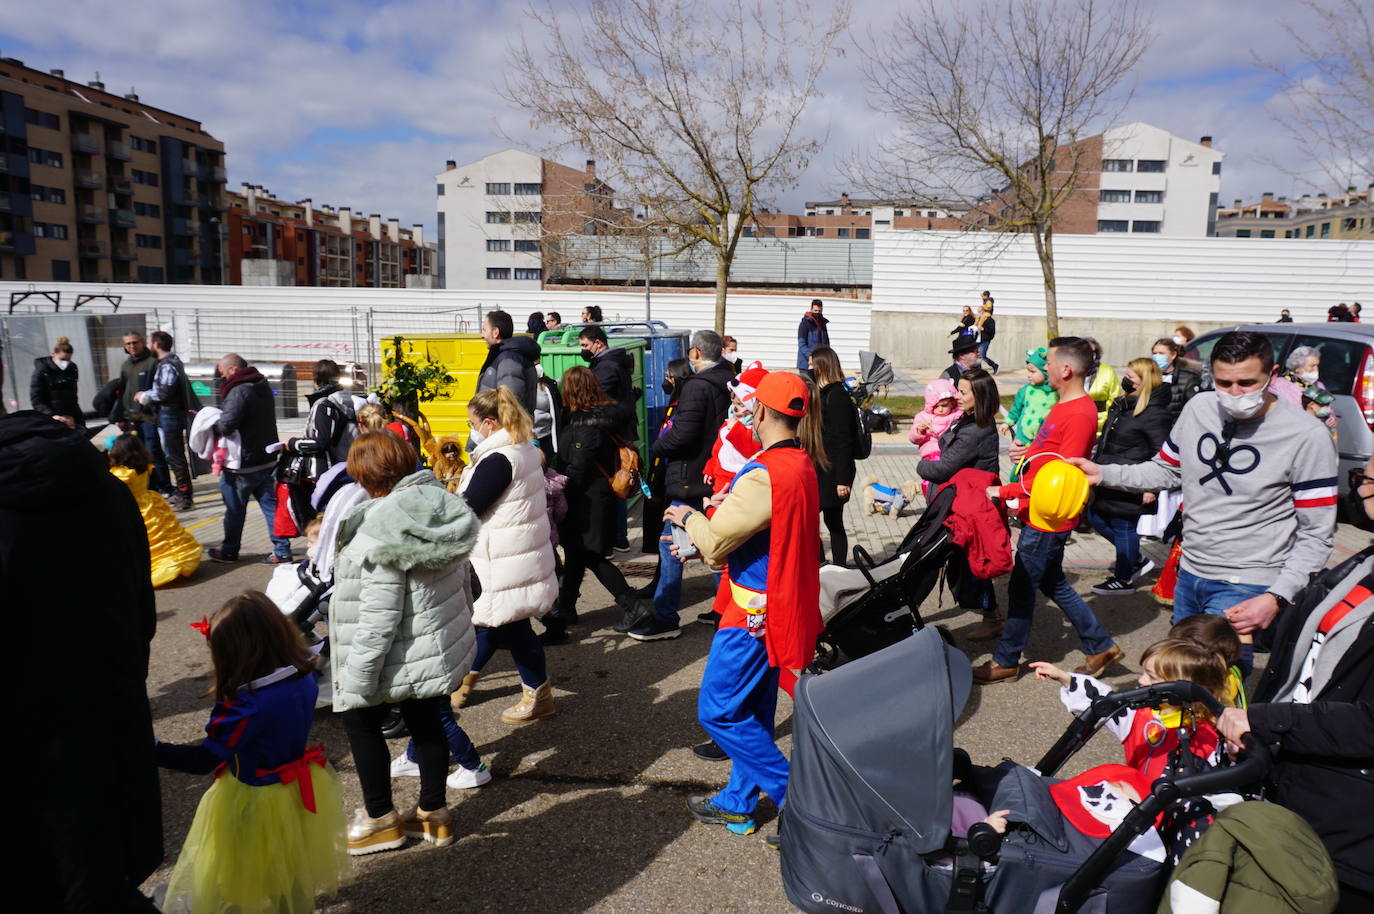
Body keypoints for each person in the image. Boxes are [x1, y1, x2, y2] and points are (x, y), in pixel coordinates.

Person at [1073, 331, 1338, 635]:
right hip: (1190, 572)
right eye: (1224, 383)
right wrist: (1104, 473)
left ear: (1273, 375)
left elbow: (1317, 532)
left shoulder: (1306, 435)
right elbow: (1166, 471)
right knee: (1185, 673)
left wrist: (1278, 595)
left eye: (1247, 383)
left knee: (1212, 673)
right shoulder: (1199, 408)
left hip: (1250, 582)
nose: (1235, 394)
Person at [3, 412, 163, 912]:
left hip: (22, 714)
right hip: (106, 693)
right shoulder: (111, 493)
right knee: (100, 842)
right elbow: (143, 604)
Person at [666, 371, 823, 837]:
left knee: (718, 710)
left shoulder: (766, 472)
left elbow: (715, 545)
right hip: (777, 600)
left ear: (759, 411)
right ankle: (737, 800)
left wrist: (691, 517)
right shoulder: (800, 461)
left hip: (752, 608)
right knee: (753, 710)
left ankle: (799, 800)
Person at [1213, 456, 1373, 913]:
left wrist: (1265, 720)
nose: (1357, 489)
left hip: (1349, 828)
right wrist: (1264, 623)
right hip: (1296, 779)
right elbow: (1323, 646)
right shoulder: (1364, 561)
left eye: (1365, 480)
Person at [330, 430, 481, 855]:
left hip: (399, 649)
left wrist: (357, 677)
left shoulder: (382, 525)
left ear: (365, 474)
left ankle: (380, 819)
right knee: (427, 719)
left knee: (360, 721)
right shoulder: (439, 506)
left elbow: (378, 615)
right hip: (432, 647)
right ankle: (434, 814)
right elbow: (466, 584)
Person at [154, 592, 351, 913]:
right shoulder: (303, 678)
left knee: (241, 861)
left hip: (256, 796)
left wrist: (155, 750)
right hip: (298, 786)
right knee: (290, 862)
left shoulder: (245, 708)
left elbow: (205, 759)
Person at [977, 337, 1122, 684]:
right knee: (1053, 581)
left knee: (1023, 586)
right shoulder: (1064, 406)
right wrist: (1025, 453)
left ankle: (1006, 661)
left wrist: (1005, 490)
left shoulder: (1079, 412)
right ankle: (1100, 646)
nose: (1045, 368)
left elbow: (1062, 475)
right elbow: (1050, 457)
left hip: (1047, 515)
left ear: (1067, 369)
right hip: (1037, 510)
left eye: (1050, 362)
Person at [456, 388, 560, 721]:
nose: (470, 429)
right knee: (501, 625)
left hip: (502, 557)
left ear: (488, 423)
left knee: (494, 622)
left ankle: (532, 694)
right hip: (515, 553)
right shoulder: (523, 448)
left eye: (472, 422)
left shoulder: (498, 458)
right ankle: (469, 684)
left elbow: (470, 506)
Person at [635, 330, 735, 639]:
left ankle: (666, 617)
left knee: (671, 545)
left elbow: (684, 434)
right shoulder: (727, 380)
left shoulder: (696, 386)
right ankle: (722, 612)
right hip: (712, 474)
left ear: (694, 354)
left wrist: (659, 446)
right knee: (715, 548)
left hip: (690, 477)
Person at [543, 366, 648, 642]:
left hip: (586, 499)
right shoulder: (595, 417)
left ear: (573, 390)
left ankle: (632, 606)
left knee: (591, 555)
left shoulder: (586, 423)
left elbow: (579, 465)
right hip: (592, 497)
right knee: (578, 553)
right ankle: (565, 609)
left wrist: (560, 489)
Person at [917, 368, 1003, 637]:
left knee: (973, 561)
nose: (957, 395)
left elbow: (943, 467)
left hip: (972, 506)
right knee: (963, 561)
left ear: (979, 395)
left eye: (963, 392)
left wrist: (922, 465)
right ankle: (991, 615)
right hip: (962, 501)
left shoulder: (976, 430)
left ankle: (992, 618)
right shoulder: (967, 419)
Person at [1085, 358, 1173, 596]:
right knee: (1094, 517)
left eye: (1131, 376)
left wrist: (1150, 488)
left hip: (1132, 478)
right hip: (1109, 473)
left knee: (1124, 526)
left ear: (1145, 381)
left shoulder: (1155, 413)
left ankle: (1123, 579)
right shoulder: (1124, 404)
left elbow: (1160, 453)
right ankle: (1135, 559)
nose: (1126, 378)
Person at [209, 354, 294, 565]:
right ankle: (282, 550)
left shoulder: (238, 391)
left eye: (222, 372)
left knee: (235, 510)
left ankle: (229, 551)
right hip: (266, 458)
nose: (221, 377)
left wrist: (211, 424)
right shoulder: (261, 384)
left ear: (231, 370)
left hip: (242, 463)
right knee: (270, 508)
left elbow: (227, 425)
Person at [108, 434, 201, 587]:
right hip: (150, 501)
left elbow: (121, 492)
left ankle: (154, 569)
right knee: (163, 533)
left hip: (133, 506)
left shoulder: (121, 472)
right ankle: (179, 560)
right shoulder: (144, 464)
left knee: (143, 539)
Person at [134, 331, 196, 509]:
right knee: (172, 455)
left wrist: (144, 395)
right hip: (167, 416)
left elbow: (164, 392)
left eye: (148, 342)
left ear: (155, 344)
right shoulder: (168, 363)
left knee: (175, 456)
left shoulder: (168, 364)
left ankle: (185, 495)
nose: (147, 345)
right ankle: (182, 492)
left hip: (170, 416)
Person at [810, 346, 858, 565]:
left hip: (832, 472)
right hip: (819, 468)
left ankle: (839, 567)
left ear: (822, 365)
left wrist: (843, 480)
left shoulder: (837, 395)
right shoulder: (822, 393)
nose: (809, 367)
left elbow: (843, 440)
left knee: (833, 522)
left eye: (812, 363)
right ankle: (820, 564)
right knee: (812, 522)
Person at [285, 359, 361, 482]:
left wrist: (292, 443)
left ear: (316, 379)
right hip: (350, 463)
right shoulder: (347, 399)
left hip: (331, 470)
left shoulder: (323, 405)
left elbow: (320, 442)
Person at [116, 330, 168, 494]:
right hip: (131, 416)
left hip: (149, 417)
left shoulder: (153, 362)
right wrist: (121, 415)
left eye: (135, 342)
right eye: (128, 343)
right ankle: (150, 487)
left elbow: (159, 390)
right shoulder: (126, 365)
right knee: (137, 454)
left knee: (154, 452)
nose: (132, 346)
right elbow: (123, 391)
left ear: (142, 342)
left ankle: (165, 486)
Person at [1001, 347, 1057, 479]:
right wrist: (1008, 422)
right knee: (1019, 466)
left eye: (1033, 371)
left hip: (1042, 439)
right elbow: (1016, 408)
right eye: (1028, 371)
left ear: (1046, 372)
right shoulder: (1025, 390)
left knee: (1036, 468)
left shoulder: (1056, 393)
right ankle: (1013, 486)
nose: (1028, 375)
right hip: (1023, 437)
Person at [475, 309, 540, 418]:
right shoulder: (504, 356)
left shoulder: (509, 360)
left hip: (505, 432)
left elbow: (510, 406)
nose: (482, 335)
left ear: (495, 332)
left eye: (484, 330)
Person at [29, 336, 83, 430]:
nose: (65, 363)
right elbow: (36, 398)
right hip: (51, 416)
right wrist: (51, 415)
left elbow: (73, 395)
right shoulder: (42, 370)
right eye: (62, 359)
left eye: (68, 360)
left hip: (70, 416)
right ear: (54, 354)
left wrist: (74, 416)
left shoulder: (72, 368)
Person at [908, 378, 963, 464]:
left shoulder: (957, 415)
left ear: (952, 403)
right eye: (936, 406)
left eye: (944, 406)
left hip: (952, 452)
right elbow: (913, 439)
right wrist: (919, 431)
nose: (940, 409)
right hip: (931, 452)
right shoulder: (923, 417)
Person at [1151, 337, 1202, 418]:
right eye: (1154, 353)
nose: (1157, 357)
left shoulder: (1188, 378)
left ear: (1173, 355)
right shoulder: (1148, 376)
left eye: (1161, 353)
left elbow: (1194, 409)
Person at [1084, 337, 1123, 433]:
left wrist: (1106, 422)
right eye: (1085, 351)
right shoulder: (1071, 371)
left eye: (1093, 351)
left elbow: (1115, 398)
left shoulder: (1107, 371)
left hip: (1100, 425)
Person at [795, 298, 830, 371]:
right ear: (811, 309)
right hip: (806, 363)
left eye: (819, 311)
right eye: (815, 310)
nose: (817, 313)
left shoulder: (822, 324)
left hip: (820, 362)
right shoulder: (804, 324)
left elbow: (826, 343)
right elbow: (802, 344)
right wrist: (809, 356)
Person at [974, 297, 999, 373]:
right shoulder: (978, 319)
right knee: (977, 356)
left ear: (983, 310)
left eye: (980, 310)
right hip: (977, 340)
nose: (978, 311)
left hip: (985, 340)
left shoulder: (989, 320)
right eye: (978, 310)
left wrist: (983, 329)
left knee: (982, 356)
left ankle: (995, 366)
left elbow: (992, 331)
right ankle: (979, 371)